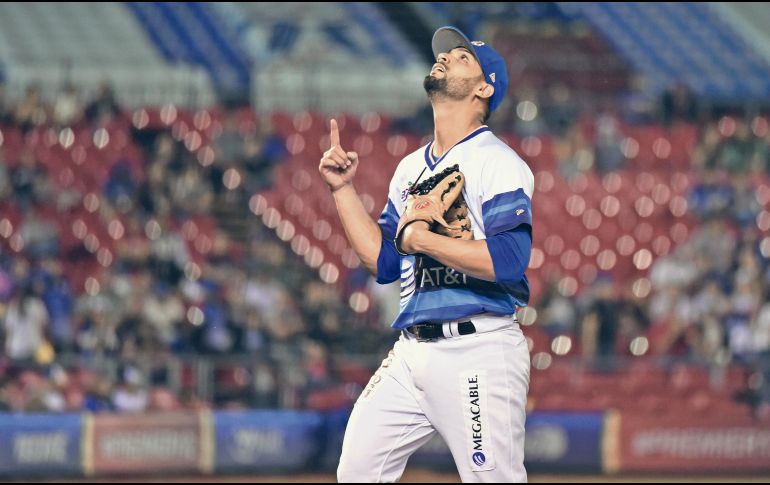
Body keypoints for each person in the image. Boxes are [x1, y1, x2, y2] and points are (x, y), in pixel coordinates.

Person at [319, 26, 533, 483]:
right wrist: (342, 190)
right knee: (356, 472)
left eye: (461, 57)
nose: (446, 58)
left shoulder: (498, 161)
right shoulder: (411, 167)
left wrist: (425, 240)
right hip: (411, 351)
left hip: (479, 348)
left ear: (484, 87)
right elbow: (384, 264)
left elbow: (511, 260)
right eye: (445, 54)